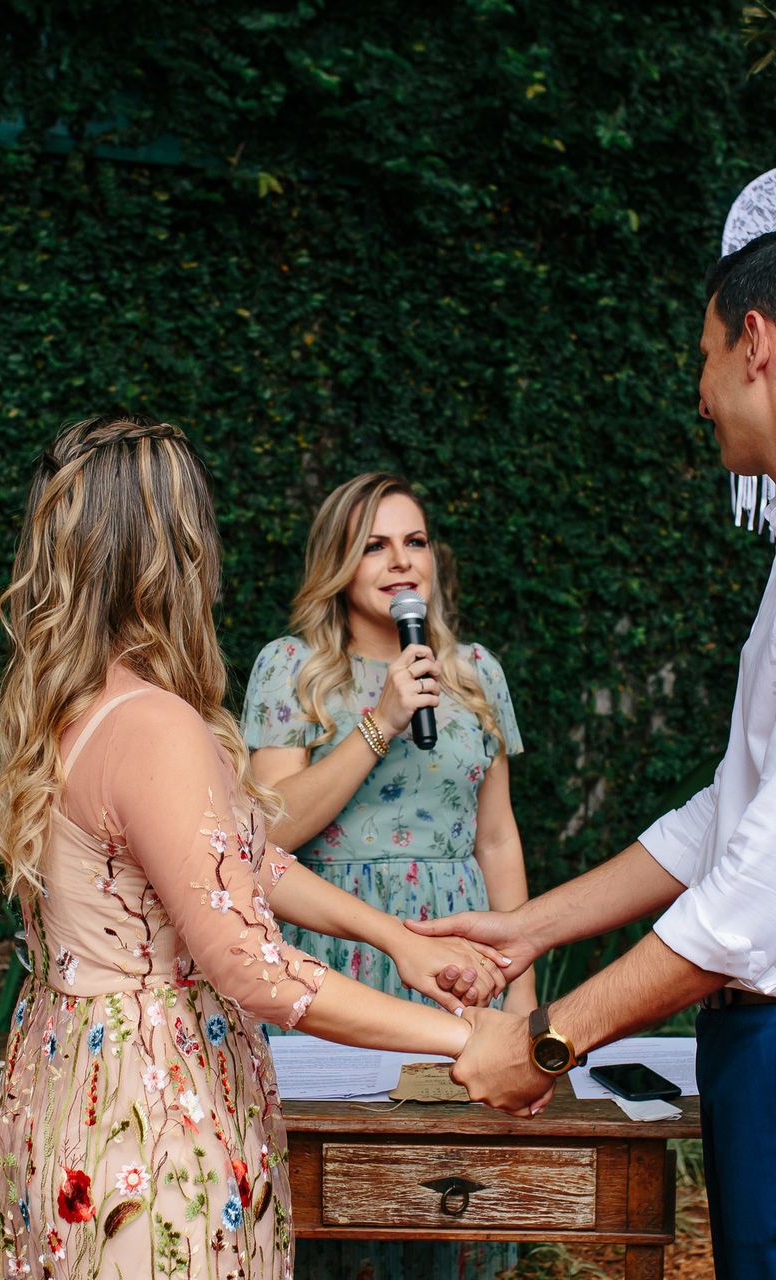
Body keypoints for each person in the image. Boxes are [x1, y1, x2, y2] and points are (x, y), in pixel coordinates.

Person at [414, 229, 776, 1279]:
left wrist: (549, 1036)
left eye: (704, 353)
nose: (700, 388)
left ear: (756, 343)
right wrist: (527, 928)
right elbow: (732, 812)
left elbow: (766, 881)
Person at [0, 414, 505, 1280]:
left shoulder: (79, 706)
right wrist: (464, 1041)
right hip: (156, 1122)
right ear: (174, 552)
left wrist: (399, 940)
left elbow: (242, 860)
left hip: (73, 1087)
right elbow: (253, 964)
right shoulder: (155, 725)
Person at [243, 472, 533, 1280]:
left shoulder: (476, 671)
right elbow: (267, 832)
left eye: (413, 541)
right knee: (335, 1199)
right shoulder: (292, 668)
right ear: (338, 561)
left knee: (447, 1199)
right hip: (331, 949)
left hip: (457, 956)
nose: (400, 561)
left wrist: (524, 988)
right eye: (374, 544)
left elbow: (499, 840)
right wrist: (381, 721)